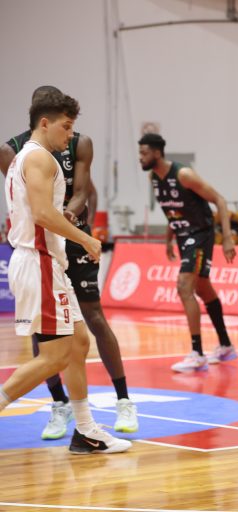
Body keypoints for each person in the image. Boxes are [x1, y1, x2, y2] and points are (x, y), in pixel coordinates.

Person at [0, 86, 138, 439]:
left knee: (77, 345)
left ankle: (87, 431)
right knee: (54, 357)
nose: (70, 134)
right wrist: (85, 238)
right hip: (40, 262)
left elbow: (42, 210)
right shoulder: (39, 158)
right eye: (66, 126)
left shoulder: (26, 157)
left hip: (47, 262)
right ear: (45, 123)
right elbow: (43, 214)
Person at [138, 133, 237, 372]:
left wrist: (227, 238)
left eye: (144, 153)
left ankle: (197, 353)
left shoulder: (183, 175)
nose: (140, 157)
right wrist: (168, 239)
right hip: (183, 236)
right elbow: (172, 210)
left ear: (157, 153)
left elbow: (220, 200)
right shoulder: (154, 177)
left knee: (184, 286)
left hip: (200, 233)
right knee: (202, 288)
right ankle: (225, 346)